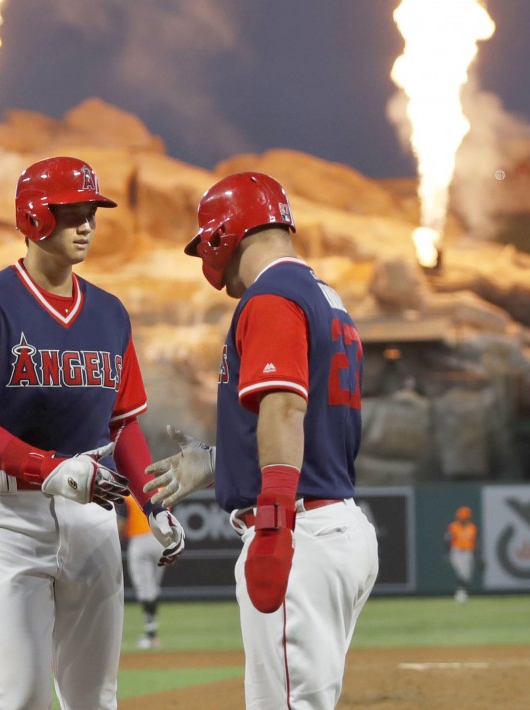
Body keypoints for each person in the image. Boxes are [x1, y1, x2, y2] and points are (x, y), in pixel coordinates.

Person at [0, 156, 185, 710]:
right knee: (21, 696)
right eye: (71, 212)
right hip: (6, 515)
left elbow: (123, 424)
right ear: (35, 217)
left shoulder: (110, 313)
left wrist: (155, 502)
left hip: (92, 516)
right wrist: (50, 469)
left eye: (90, 211)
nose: (86, 224)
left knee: (95, 698)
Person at [144, 172, 379, 709]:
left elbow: (286, 408)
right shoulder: (326, 296)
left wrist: (272, 523)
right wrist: (225, 465)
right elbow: (311, 424)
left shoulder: (270, 297)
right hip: (330, 519)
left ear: (226, 233)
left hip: (298, 530)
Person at [119, 495, 167, 649]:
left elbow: (121, 522)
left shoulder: (128, 496)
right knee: (153, 588)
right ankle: (152, 632)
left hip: (139, 540)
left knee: (145, 589)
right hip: (162, 540)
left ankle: (151, 634)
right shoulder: (162, 492)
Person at [445, 506, 477, 603]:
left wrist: (479, 556)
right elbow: (446, 541)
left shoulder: (472, 527)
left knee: (467, 575)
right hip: (457, 551)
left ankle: (462, 592)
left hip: (468, 551)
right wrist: (447, 554)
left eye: (466, 517)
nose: (464, 519)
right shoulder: (453, 526)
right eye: (463, 517)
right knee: (461, 573)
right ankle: (460, 593)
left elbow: (475, 542)